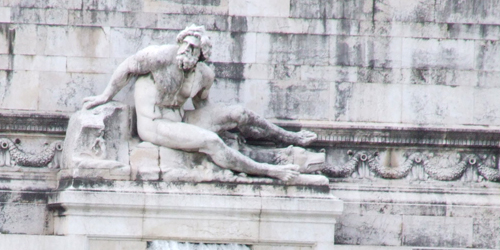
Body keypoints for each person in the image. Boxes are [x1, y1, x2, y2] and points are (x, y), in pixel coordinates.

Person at [81, 25, 321, 183]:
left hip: (180, 118)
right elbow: (128, 67)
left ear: (202, 55)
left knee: (240, 113)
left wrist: (222, 122)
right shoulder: (161, 56)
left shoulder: (204, 75)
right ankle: (270, 171)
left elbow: (202, 106)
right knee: (210, 141)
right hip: (154, 123)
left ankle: (288, 138)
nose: (186, 49)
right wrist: (105, 95)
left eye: (193, 48)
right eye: (185, 43)